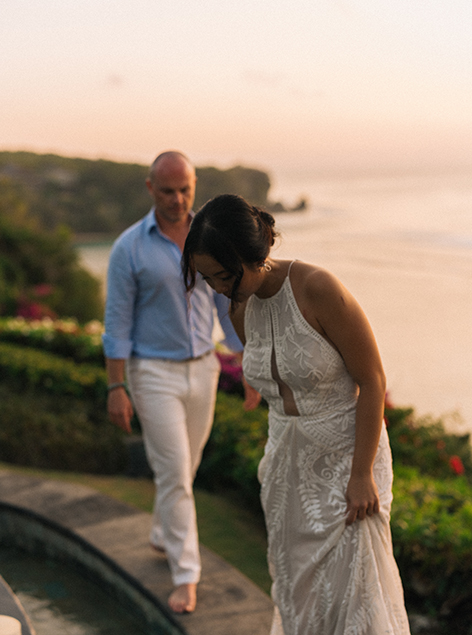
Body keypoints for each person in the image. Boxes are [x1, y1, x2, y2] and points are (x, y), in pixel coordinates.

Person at [181, 194, 410, 634]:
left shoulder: (317, 288)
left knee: (357, 592)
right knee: (299, 592)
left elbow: (373, 379)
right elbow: (276, 374)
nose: (217, 288)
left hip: (348, 460)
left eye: (223, 276)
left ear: (252, 256)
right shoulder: (240, 307)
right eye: (207, 279)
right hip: (288, 464)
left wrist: (361, 474)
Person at [102, 151, 247, 614]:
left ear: (194, 185)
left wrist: (248, 368)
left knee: (187, 466)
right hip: (152, 374)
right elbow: (116, 322)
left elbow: (227, 306)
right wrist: (116, 387)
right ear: (150, 188)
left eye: (185, 189)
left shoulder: (211, 239)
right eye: (167, 190)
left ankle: (163, 533)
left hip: (204, 368)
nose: (178, 199)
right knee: (174, 472)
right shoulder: (129, 247)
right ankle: (187, 574)